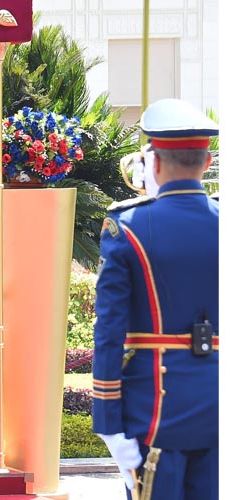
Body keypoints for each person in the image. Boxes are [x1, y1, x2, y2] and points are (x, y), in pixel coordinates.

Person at [91, 98, 219, 500]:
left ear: (154, 163)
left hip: (156, 414)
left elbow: (109, 331)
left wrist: (108, 423)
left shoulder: (127, 227)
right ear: (207, 162)